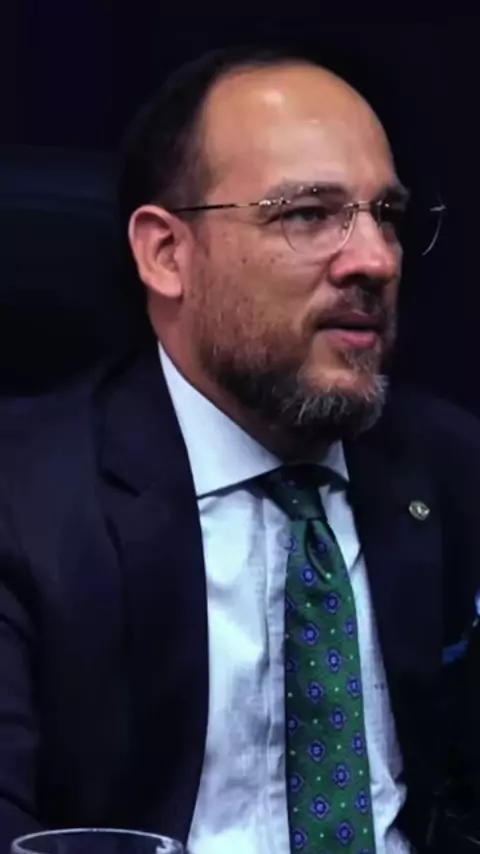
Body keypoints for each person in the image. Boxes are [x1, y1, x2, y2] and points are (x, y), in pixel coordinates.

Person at [1, 43, 480, 854]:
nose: (374, 260)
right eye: (308, 213)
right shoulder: (23, 500)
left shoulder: (453, 467)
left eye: (388, 217)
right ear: (166, 254)